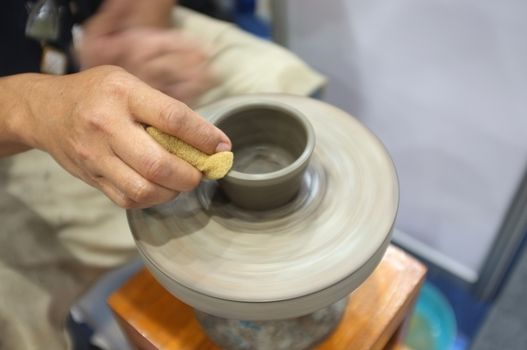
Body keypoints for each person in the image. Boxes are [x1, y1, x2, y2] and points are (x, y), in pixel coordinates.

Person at [0, 0, 230, 209]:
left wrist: (144, 17)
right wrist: (35, 108)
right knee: (155, 207)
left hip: (113, 30)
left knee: (264, 74)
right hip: (19, 121)